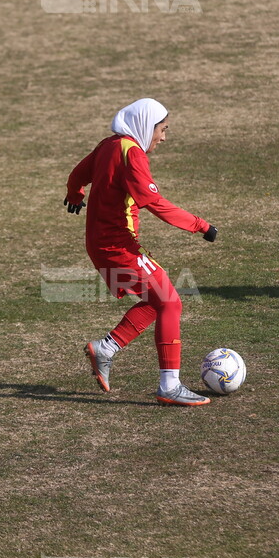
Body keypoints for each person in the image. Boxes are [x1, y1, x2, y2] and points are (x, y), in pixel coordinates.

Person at [65, 99, 218, 406]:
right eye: (161, 130)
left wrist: (75, 194)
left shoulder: (110, 145)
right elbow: (155, 204)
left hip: (101, 245)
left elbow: (78, 174)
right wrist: (201, 226)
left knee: (159, 299)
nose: (163, 137)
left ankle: (105, 349)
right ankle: (169, 386)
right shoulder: (131, 153)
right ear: (146, 126)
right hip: (118, 247)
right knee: (171, 303)